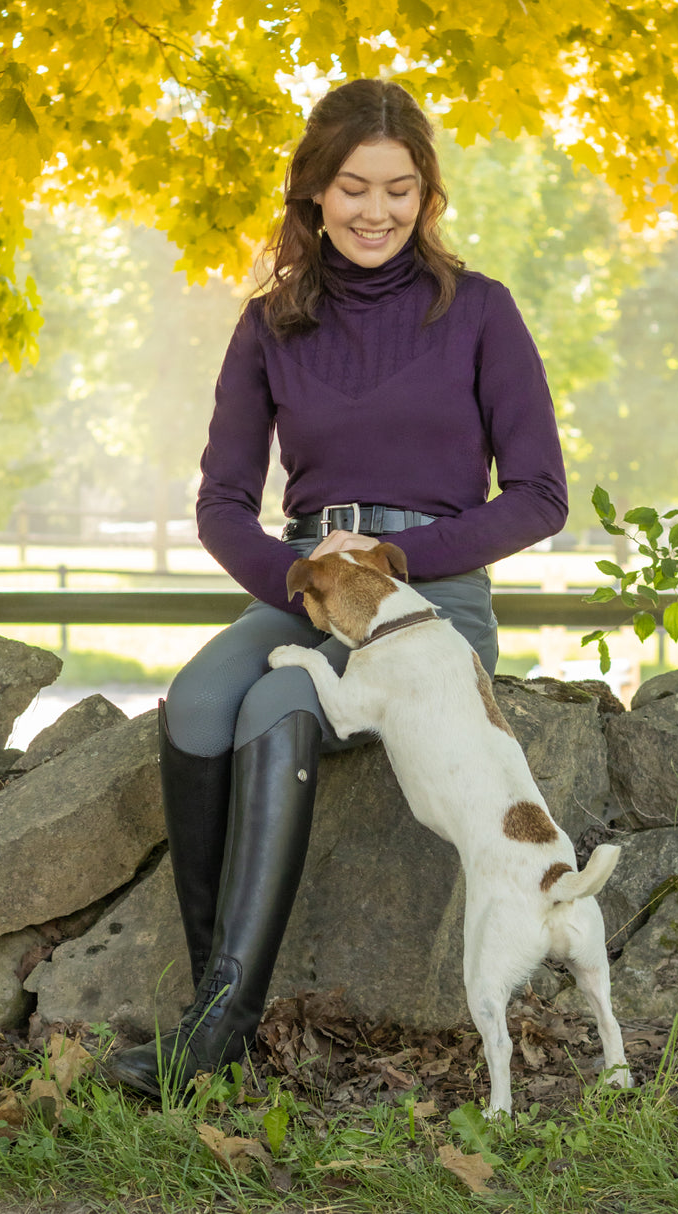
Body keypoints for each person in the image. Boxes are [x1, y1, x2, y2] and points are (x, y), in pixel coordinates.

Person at [108, 77, 568, 1098]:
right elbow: (221, 501)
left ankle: (215, 1034)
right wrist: (297, 577)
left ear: (427, 195)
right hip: (306, 581)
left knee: (276, 700)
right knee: (195, 701)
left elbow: (540, 496)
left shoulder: (480, 312)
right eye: (352, 187)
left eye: (399, 189)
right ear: (312, 192)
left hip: (425, 594)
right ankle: (208, 996)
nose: (375, 211)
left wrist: (401, 560)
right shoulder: (270, 324)